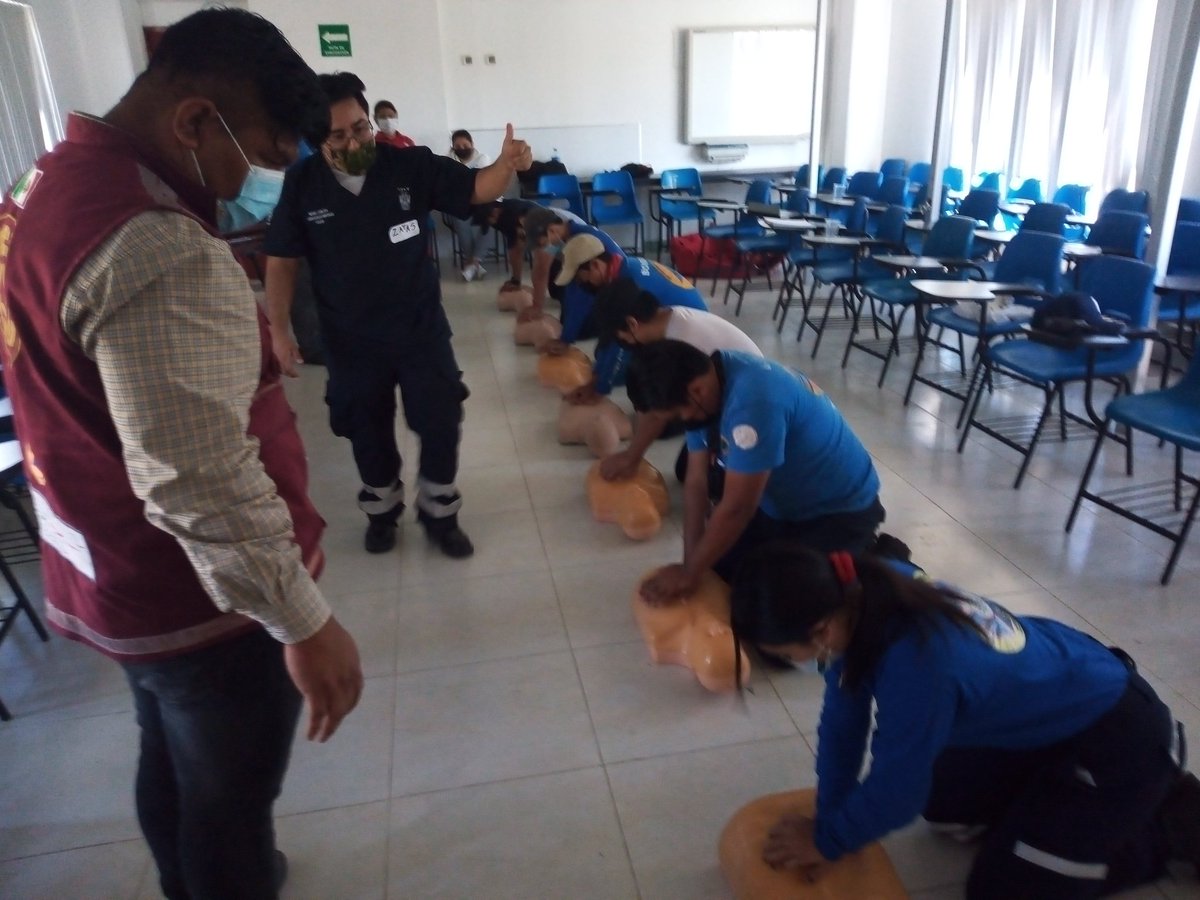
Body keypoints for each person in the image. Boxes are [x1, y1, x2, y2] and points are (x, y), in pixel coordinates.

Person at [0, 9, 363, 899]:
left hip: (107, 561)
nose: (256, 189)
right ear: (196, 122)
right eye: (257, 160)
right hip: (197, 592)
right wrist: (302, 620)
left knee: (171, 752)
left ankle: (186, 879)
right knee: (230, 796)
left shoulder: (48, 178)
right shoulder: (157, 243)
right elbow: (195, 475)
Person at [727, 542, 1200, 900]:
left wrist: (828, 840)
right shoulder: (866, 589)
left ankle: (1171, 822)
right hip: (1055, 709)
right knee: (943, 799)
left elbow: (896, 797)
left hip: (1117, 738)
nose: (794, 664)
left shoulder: (916, 667)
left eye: (788, 655)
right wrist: (829, 821)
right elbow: (842, 723)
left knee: (1003, 887)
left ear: (821, 631)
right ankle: (1057, 802)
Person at [264, 72, 531, 558]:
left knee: (440, 418)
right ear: (316, 140)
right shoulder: (303, 185)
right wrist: (278, 330)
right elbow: (281, 260)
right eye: (338, 135)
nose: (354, 141)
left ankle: (439, 511)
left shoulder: (408, 165)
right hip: (349, 337)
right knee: (366, 427)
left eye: (361, 128)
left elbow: (476, 188)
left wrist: (505, 164)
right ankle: (382, 511)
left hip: (419, 328)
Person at [628, 340, 884, 604]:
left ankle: (868, 556)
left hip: (839, 511)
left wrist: (690, 572)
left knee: (782, 604)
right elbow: (696, 482)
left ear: (697, 390)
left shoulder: (754, 402)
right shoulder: (712, 377)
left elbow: (738, 508)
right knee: (721, 573)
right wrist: (690, 565)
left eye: (677, 415)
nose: (681, 422)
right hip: (778, 504)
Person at [592, 279, 762, 482]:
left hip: (747, 403)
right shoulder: (668, 318)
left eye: (621, 337)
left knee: (711, 478)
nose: (624, 344)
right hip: (717, 391)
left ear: (631, 323)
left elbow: (655, 414)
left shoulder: (680, 338)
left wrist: (631, 457)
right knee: (686, 467)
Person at [548, 233, 710, 407]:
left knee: (638, 380)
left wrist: (599, 388)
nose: (582, 284)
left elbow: (622, 343)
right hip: (670, 323)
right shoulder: (622, 267)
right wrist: (596, 376)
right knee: (604, 350)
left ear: (595, 265)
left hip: (691, 342)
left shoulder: (632, 281)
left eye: (581, 278)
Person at [444, 129, 491, 281]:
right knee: (459, 218)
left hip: (482, 204)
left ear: (472, 144)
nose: (462, 148)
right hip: (460, 204)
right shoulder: (446, 161)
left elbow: (481, 183)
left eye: (465, 144)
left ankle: (472, 263)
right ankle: (476, 264)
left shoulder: (482, 158)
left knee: (491, 219)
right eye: (457, 146)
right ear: (452, 147)